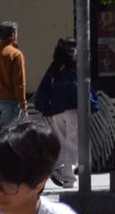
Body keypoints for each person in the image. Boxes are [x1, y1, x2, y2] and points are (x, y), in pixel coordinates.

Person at [32, 36, 82, 188]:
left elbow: (44, 87)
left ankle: (60, 169)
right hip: (73, 109)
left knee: (61, 143)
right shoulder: (76, 67)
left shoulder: (55, 67)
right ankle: (69, 177)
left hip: (55, 111)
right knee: (74, 144)